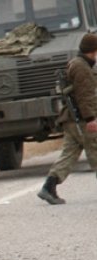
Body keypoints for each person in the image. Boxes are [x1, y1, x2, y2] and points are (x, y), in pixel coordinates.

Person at [37, 33, 97, 205]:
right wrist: (91, 119)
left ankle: (49, 187)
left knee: (68, 155)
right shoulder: (82, 67)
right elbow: (86, 96)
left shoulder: (77, 63)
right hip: (83, 120)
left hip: (72, 120)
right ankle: (49, 188)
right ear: (93, 50)